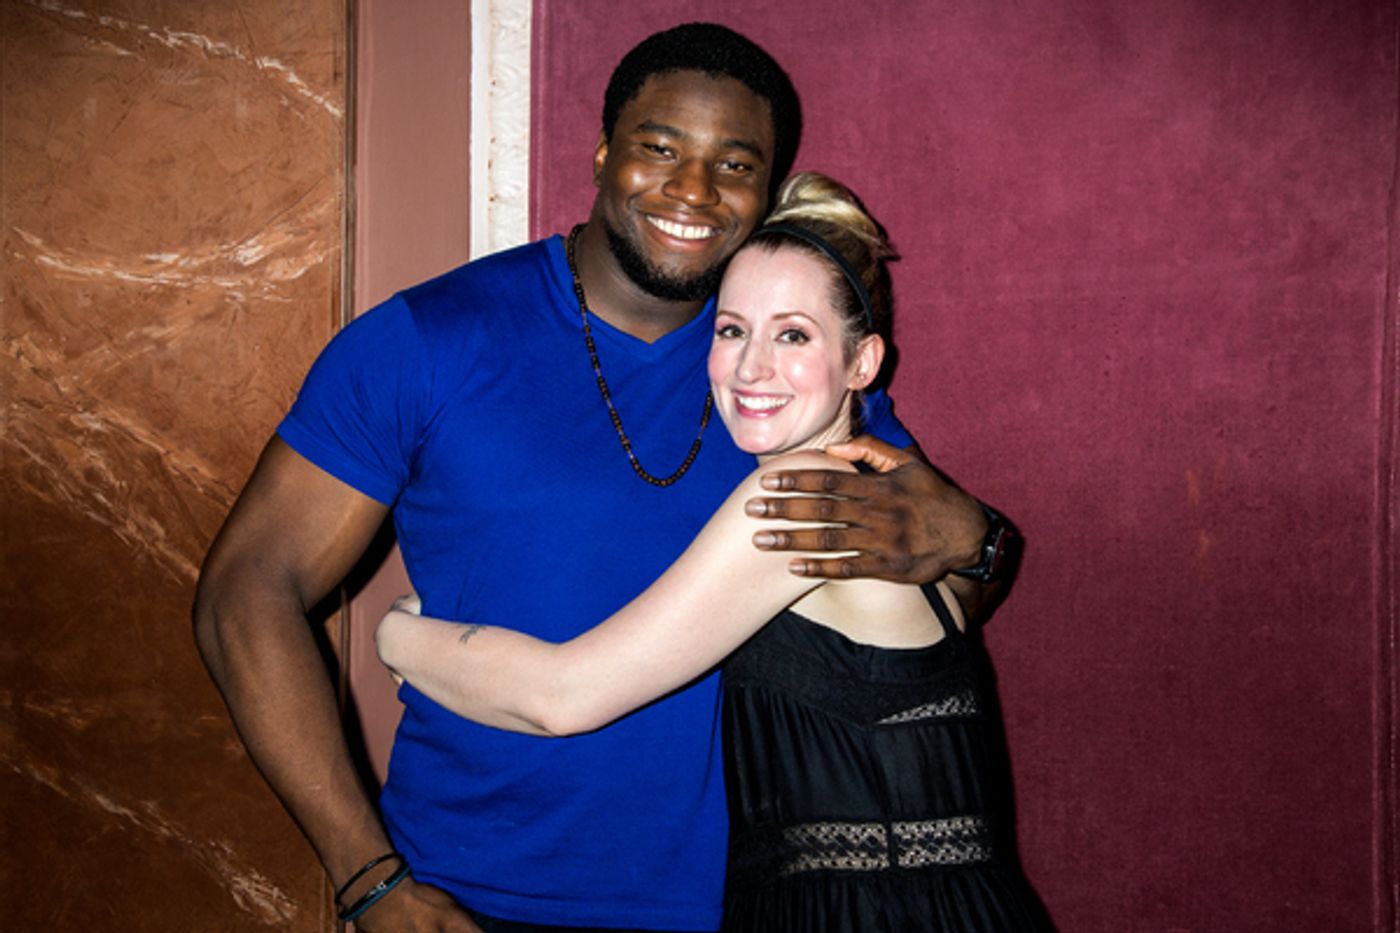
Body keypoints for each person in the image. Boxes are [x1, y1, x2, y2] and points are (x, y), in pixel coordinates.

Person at [193, 23, 1009, 933]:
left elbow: (922, 600)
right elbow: (246, 591)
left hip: (742, 907)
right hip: (468, 899)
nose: (693, 189)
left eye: (734, 165)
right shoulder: (427, 340)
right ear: (602, 153)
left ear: (766, 192)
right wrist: (367, 877)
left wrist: (982, 538)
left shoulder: (790, 378)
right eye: (660, 148)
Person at [376, 172, 1047, 932]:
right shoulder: (874, 499)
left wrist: (399, 635)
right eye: (732, 330)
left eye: (793, 334)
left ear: (863, 364)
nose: (751, 366)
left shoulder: (801, 502)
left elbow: (562, 697)